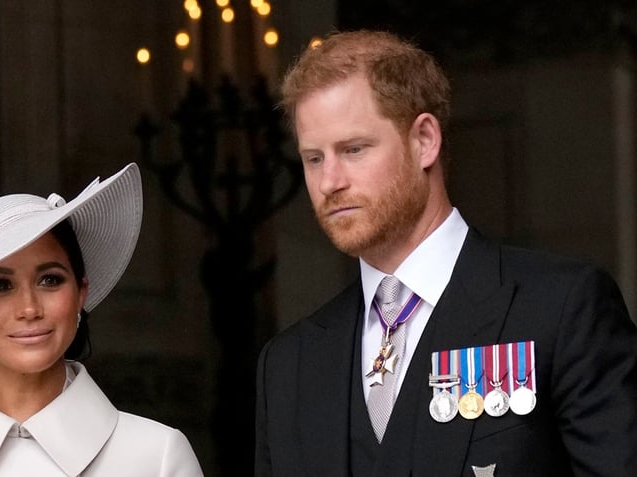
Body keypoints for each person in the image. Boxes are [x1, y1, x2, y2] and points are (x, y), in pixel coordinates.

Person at [255, 30, 637, 476]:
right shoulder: (288, 366)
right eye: (314, 158)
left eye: (353, 149)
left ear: (424, 141)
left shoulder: (562, 309)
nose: (328, 182)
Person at [0, 163, 204, 476]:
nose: (29, 308)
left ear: (81, 292)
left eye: (50, 280)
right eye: (0, 285)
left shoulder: (157, 456)